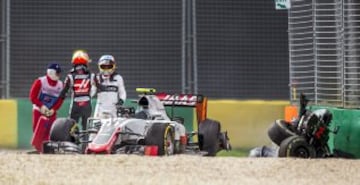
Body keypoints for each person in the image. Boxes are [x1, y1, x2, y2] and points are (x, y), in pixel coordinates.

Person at [57, 50, 96, 131]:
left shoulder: (70, 76)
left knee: (72, 125)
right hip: (86, 103)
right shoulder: (91, 75)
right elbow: (97, 87)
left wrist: (60, 98)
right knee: (86, 126)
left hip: (76, 103)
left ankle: (72, 141)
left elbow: (64, 91)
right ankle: (85, 142)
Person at [29, 63, 63, 152]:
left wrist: (54, 109)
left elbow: (60, 100)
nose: (59, 75)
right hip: (39, 109)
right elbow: (32, 96)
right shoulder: (40, 81)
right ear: (52, 73)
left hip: (51, 111)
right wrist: (41, 106)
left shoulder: (60, 85)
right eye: (57, 73)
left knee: (50, 129)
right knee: (37, 128)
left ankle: (47, 147)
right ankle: (38, 147)